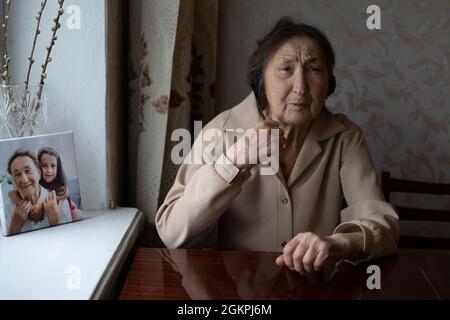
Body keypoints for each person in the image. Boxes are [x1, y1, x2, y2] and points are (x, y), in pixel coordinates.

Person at [155, 17, 399, 274]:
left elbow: (383, 227)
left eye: (314, 70)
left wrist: (338, 243)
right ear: (260, 80)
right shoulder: (220, 131)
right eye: (286, 69)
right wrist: (235, 160)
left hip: (314, 289)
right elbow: (173, 234)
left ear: (329, 84)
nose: (301, 87)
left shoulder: (345, 137)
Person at [6, 149, 72, 235]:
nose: (24, 180)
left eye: (28, 171)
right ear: (13, 181)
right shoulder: (8, 209)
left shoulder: (60, 205)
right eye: (17, 174)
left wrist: (55, 221)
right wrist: (14, 227)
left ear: (39, 173)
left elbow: (69, 241)